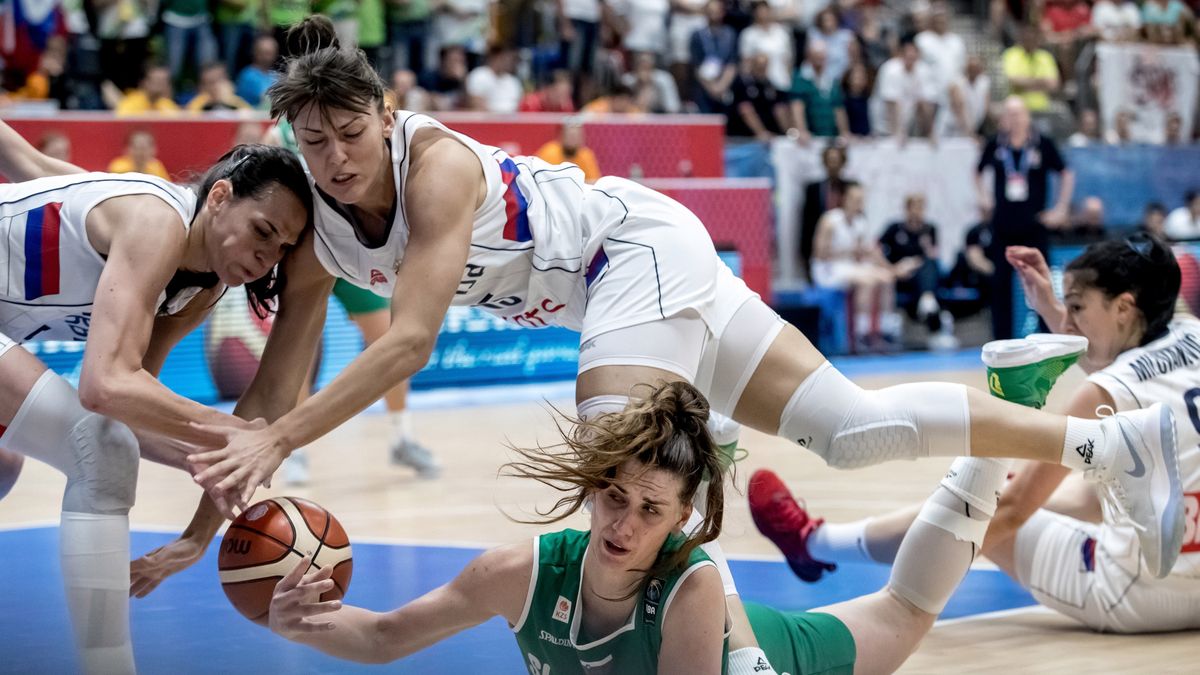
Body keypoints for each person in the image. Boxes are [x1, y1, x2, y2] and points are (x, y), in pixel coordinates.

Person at [147, 19, 1182, 672]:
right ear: (291, 138)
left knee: (623, 455)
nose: (333, 160)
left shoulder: (438, 168)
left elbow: (412, 337)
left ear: (386, 116)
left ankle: (730, 654)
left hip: (624, 253)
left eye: (350, 136)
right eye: (314, 143)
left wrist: (277, 440)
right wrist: (205, 530)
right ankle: (1100, 442)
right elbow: (272, 395)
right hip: (648, 262)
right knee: (858, 435)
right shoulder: (316, 230)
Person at [266, 381, 1073, 673]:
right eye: (615, 497)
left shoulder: (689, 584)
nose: (624, 523)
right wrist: (305, 624)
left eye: (652, 510)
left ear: (682, 519)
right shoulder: (515, 572)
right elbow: (379, 639)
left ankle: (1015, 405)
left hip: (779, 659)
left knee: (907, 610)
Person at [751, 235, 1200, 633]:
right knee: (1089, 496)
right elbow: (1123, 365)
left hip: (1136, 595)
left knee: (987, 496)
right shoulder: (1190, 335)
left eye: (1077, 308)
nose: (1068, 325)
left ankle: (815, 541)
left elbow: (1012, 515)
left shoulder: (1104, 392)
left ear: (1124, 307)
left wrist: (910, 593)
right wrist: (1050, 306)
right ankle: (816, 541)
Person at [0, 125, 313, 673]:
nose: (267, 258)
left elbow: (125, 408)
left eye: (282, 249)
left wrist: (209, 461)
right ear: (219, 197)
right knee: (95, 450)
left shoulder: (199, 286)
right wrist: (231, 431)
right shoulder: (153, 218)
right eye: (263, 231)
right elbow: (104, 386)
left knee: (5, 468)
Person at [976, 96, 1074, 339]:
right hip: (1003, 226)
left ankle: (1047, 339)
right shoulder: (996, 144)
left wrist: (1060, 208)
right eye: (1008, 114)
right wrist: (984, 197)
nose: (1013, 119)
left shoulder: (1042, 144)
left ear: (1027, 117)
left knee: (1040, 282)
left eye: (1017, 114)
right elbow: (977, 171)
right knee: (1000, 284)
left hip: (1034, 225)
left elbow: (1066, 173)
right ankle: (1001, 342)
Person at [811, 182, 900, 351]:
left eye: (861, 199)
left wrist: (892, 269)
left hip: (849, 266)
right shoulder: (830, 220)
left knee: (887, 279)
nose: (858, 202)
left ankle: (886, 330)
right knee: (867, 281)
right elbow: (819, 253)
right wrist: (850, 251)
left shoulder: (860, 222)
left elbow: (867, 252)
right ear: (845, 199)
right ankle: (862, 334)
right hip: (828, 269)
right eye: (854, 199)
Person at [878, 193, 957, 349]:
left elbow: (933, 257)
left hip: (920, 276)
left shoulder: (929, 229)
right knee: (928, 283)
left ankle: (927, 299)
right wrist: (894, 269)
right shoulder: (894, 229)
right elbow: (876, 250)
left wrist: (918, 257)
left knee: (929, 267)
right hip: (899, 277)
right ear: (907, 209)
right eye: (915, 207)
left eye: (921, 207)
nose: (918, 211)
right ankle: (929, 304)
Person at [107, 130, 171, 181]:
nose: (140, 152)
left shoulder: (156, 166)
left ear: (153, 149)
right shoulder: (118, 166)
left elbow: (166, 187)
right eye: (136, 147)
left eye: (144, 148)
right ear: (127, 149)